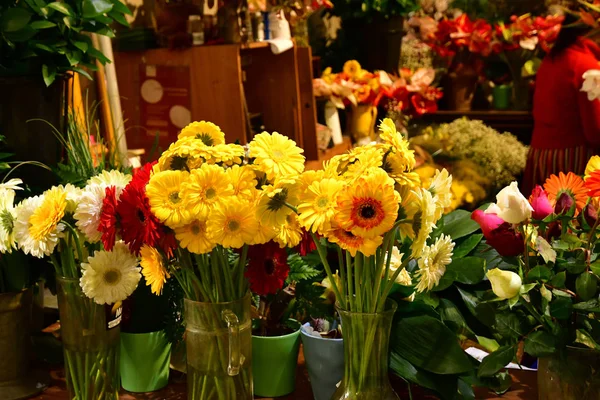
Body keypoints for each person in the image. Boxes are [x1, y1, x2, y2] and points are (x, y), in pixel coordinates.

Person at [522, 13, 600, 194]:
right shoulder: (585, 65)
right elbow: (595, 132)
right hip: (570, 160)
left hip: (540, 156)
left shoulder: (551, 59)